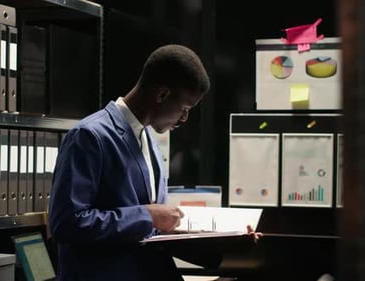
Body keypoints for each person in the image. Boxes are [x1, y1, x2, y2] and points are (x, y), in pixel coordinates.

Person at [48, 44, 260, 281]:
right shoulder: (90, 136)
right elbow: (66, 224)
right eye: (184, 108)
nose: (184, 118)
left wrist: (225, 243)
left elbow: (152, 236)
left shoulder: (148, 140)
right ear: (162, 95)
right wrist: (146, 216)